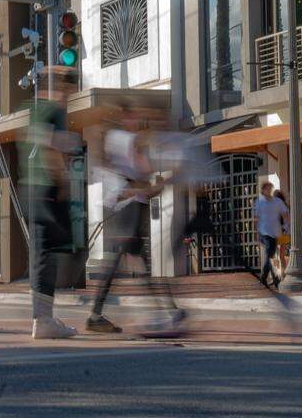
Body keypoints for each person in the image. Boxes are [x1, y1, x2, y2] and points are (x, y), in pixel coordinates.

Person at [86, 105, 182, 337]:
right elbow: (137, 176)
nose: (141, 120)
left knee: (133, 263)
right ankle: (163, 311)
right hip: (126, 209)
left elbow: (137, 176)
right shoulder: (125, 139)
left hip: (126, 207)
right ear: (126, 116)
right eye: (137, 116)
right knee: (130, 263)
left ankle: (165, 310)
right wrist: (156, 184)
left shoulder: (121, 139)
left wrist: (152, 185)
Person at [19, 65, 82, 340]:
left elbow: (37, 139)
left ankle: (41, 317)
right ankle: (43, 320)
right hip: (47, 188)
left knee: (41, 253)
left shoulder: (36, 109)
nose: (71, 91)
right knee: (48, 256)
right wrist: (64, 179)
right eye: (69, 85)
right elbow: (48, 144)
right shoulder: (54, 111)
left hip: (31, 189)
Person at [255, 181, 288, 289]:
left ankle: (274, 279)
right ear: (263, 190)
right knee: (270, 255)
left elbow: (285, 213)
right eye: (267, 188)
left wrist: (287, 226)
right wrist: (257, 232)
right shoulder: (260, 203)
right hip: (264, 233)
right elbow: (256, 218)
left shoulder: (277, 202)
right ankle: (265, 278)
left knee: (270, 256)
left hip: (275, 233)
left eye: (271, 188)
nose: (269, 190)